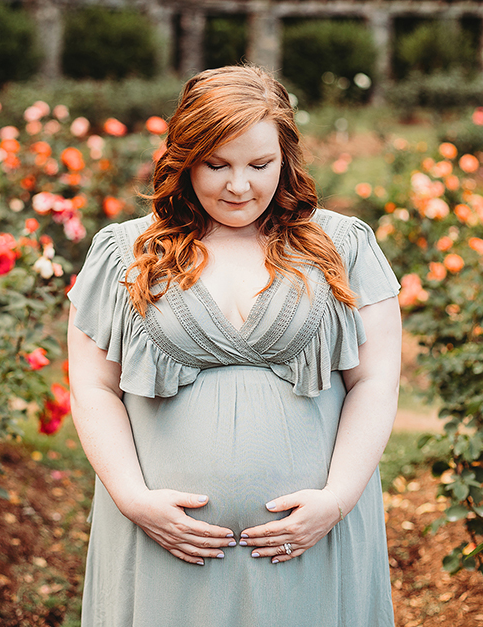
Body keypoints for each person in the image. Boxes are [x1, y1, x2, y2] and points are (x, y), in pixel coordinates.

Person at [67, 64, 402, 627]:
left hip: (313, 540)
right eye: (216, 164)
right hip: (164, 546)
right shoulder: (126, 251)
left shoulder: (342, 246)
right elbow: (93, 385)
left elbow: (375, 380)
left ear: (286, 158)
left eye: (260, 164)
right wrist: (132, 498)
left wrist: (336, 500)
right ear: (185, 157)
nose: (239, 185)